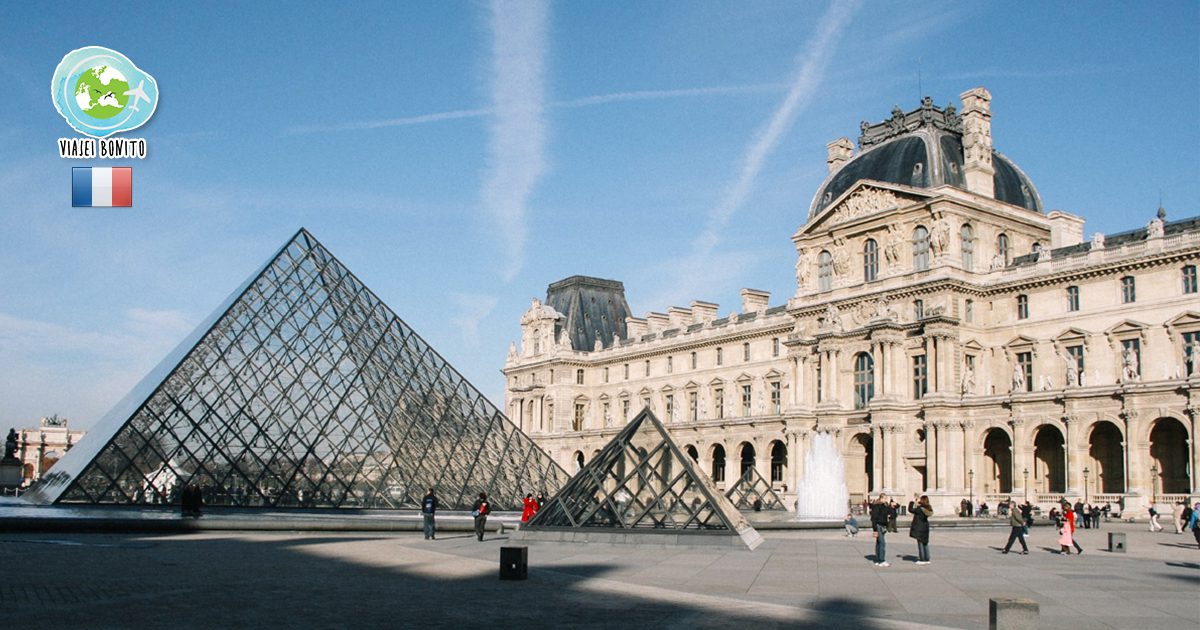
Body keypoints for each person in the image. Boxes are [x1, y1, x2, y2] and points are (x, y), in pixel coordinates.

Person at [908, 495, 933, 565]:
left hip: (919, 527)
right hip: (925, 526)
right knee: (925, 542)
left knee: (920, 543)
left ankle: (922, 559)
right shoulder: (928, 508)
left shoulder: (920, 509)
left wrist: (912, 502)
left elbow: (911, 510)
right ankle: (927, 558)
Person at [870, 494, 891, 566]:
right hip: (878, 525)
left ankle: (878, 559)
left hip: (883, 525)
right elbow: (874, 518)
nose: (886, 500)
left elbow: (889, 512)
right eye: (885, 498)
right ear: (881, 498)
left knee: (879, 542)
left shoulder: (884, 506)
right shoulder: (876, 506)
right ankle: (882, 560)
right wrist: (875, 529)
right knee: (882, 543)